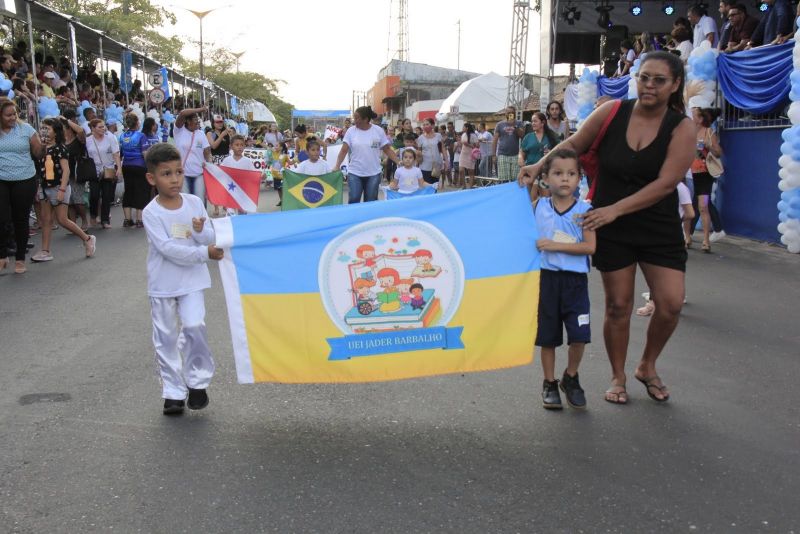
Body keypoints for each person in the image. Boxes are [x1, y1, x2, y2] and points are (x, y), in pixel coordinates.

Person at [519, 51, 695, 404]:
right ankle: (618, 376)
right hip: (609, 224)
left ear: (675, 84)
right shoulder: (613, 111)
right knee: (618, 305)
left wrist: (614, 210)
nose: (648, 85)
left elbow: (666, 183)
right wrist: (539, 166)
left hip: (656, 226)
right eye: (644, 77)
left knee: (671, 303)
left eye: (659, 80)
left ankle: (647, 365)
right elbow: (573, 144)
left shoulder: (682, 127)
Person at [142, 143, 223, 416]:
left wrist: (202, 233)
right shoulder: (151, 212)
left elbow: (208, 236)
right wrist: (204, 251)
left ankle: (197, 382)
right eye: (166, 174)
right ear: (152, 178)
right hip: (163, 284)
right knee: (165, 337)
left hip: (192, 281)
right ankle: (173, 392)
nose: (175, 179)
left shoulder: (194, 202)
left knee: (194, 326)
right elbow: (167, 248)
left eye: (178, 172)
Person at [533, 149, 595, 409]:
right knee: (548, 336)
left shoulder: (586, 211)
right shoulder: (538, 206)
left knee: (579, 335)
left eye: (571, 174)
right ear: (546, 177)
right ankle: (549, 382)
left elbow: (590, 247)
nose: (565, 179)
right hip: (547, 280)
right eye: (558, 173)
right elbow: (520, 187)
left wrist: (554, 246)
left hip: (575, 282)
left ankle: (571, 376)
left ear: (579, 177)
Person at [31, 118, 96, 262]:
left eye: (47, 128)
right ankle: (45, 250)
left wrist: (61, 189)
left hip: (59, 186)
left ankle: (87, 238)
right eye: (42, 128)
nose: (44, 131)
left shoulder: (60, 148)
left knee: (62, 219)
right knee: (46, 220)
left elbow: (66, 171)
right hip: (44, 186)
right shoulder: (43, 148)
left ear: (56, 131)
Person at [636, 179, 695, 316]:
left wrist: (673, 220)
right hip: (663, 234)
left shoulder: (679, 188)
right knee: (668, 270)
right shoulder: (667, 186)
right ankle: (671, 300)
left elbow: (690, 213)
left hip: (668, 236)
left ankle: (653, 303)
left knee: (658, 271)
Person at [0, 99, 43, 274]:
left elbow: (38, 153)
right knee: (2, 219)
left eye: (14, 114)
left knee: (20, 219)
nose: (12, 117)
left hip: (24, 178)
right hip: (1, 179)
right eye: (8, 115)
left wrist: (44, 145)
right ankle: (2, 255)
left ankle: (19, 259)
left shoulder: (26, 129)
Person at [333, 106, 400, 203]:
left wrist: (398, 161)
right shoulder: (351, 131)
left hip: (374, 173)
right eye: (354, 118)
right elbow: (344, 150)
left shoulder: (378, 131)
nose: (354, 120)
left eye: (357, 118)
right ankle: (354, 218)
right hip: (355, 173)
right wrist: (337, 166)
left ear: (366, 119)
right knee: (354, 198)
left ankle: (369, 218)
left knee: (370, 201)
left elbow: (387, 149)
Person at [689, 107, 724, 251]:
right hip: (689, 176)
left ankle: (706, 240)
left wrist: (709, 146)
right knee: (690, 206)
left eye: (694, 115)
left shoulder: (709, 132)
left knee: (703, 205)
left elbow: (719, 152)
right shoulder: (689, 132)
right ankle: (687, 235)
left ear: (701, 118)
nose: (692, 117)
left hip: (704, 176)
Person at [86, 118, 122, 229]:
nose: (103, 129)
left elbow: (116, 153)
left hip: (108, 169)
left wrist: (119, 168)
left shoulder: (110, 137)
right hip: (94, 171)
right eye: (100, 127)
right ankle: (93, 215)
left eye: (103, 126)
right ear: (93, 128)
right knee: (94, 195)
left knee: (107, 195)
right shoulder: (88, 140)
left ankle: (105, 220)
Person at [173, 106, 211, 203]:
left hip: (199, 174)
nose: (198, 122)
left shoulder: (201, 134)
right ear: (188, 121)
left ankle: (202, 218)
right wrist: (200, 109)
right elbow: (182, 113)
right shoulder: (179, 131)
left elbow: (207, 152)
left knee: (200, 201)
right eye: (195, 119)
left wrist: (210, 164)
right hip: (183, 174)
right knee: (186, 202)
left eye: (198, 119)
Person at [60, 111, 89, 231]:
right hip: (65, 174)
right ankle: (72, 224)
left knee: (78, 200)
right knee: (69, 201)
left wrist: (67, 121)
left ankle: (84, 221)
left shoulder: (78, 140)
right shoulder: (61, 142)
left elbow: (81, 131)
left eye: (64, 128)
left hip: (77, 173)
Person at [120, 113, 149, 228]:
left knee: (128, 190)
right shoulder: (141, 136)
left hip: (126, 166)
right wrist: (149, 166)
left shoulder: (122, 136)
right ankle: (139, 219)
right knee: (140, 191)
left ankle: (127, 219)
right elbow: (145, 153)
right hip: (139, 166)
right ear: (137, 123)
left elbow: (121, 153)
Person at [493, 106, 524, 183]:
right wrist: (493, 155)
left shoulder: (519, 123)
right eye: (508, 112)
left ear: (515, 114)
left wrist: (515, 126)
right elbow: (495, 140)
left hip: (515, 155)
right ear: (505, 113)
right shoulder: (499, 124)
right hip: (502, 154)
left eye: (512, 112)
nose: (510, 114)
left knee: (515, 180)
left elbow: (522, 135)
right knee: (504, 180)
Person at [417, 118, 447, 187]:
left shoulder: (438, 136)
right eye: (424, 125)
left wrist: (446, 161)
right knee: (427, 187)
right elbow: (419, 152)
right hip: (424, 166)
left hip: (436, 166)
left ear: (433, 125)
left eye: (427, 124)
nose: (425, 126)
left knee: (435, 186)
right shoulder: (420, 138)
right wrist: (417, 165)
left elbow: (443, 148)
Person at [457, 122, 479, 189]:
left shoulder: (473, 135)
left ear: (467, 128)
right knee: (461, 170)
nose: (462, 128)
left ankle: (470, 186)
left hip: (471, 154)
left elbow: (478, 145)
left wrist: (469, 144)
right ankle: (464, 185)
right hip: (463, 153)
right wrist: (459, 143)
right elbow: (462, 144)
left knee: (471, 171)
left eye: (463, 127)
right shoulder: (463, 134)